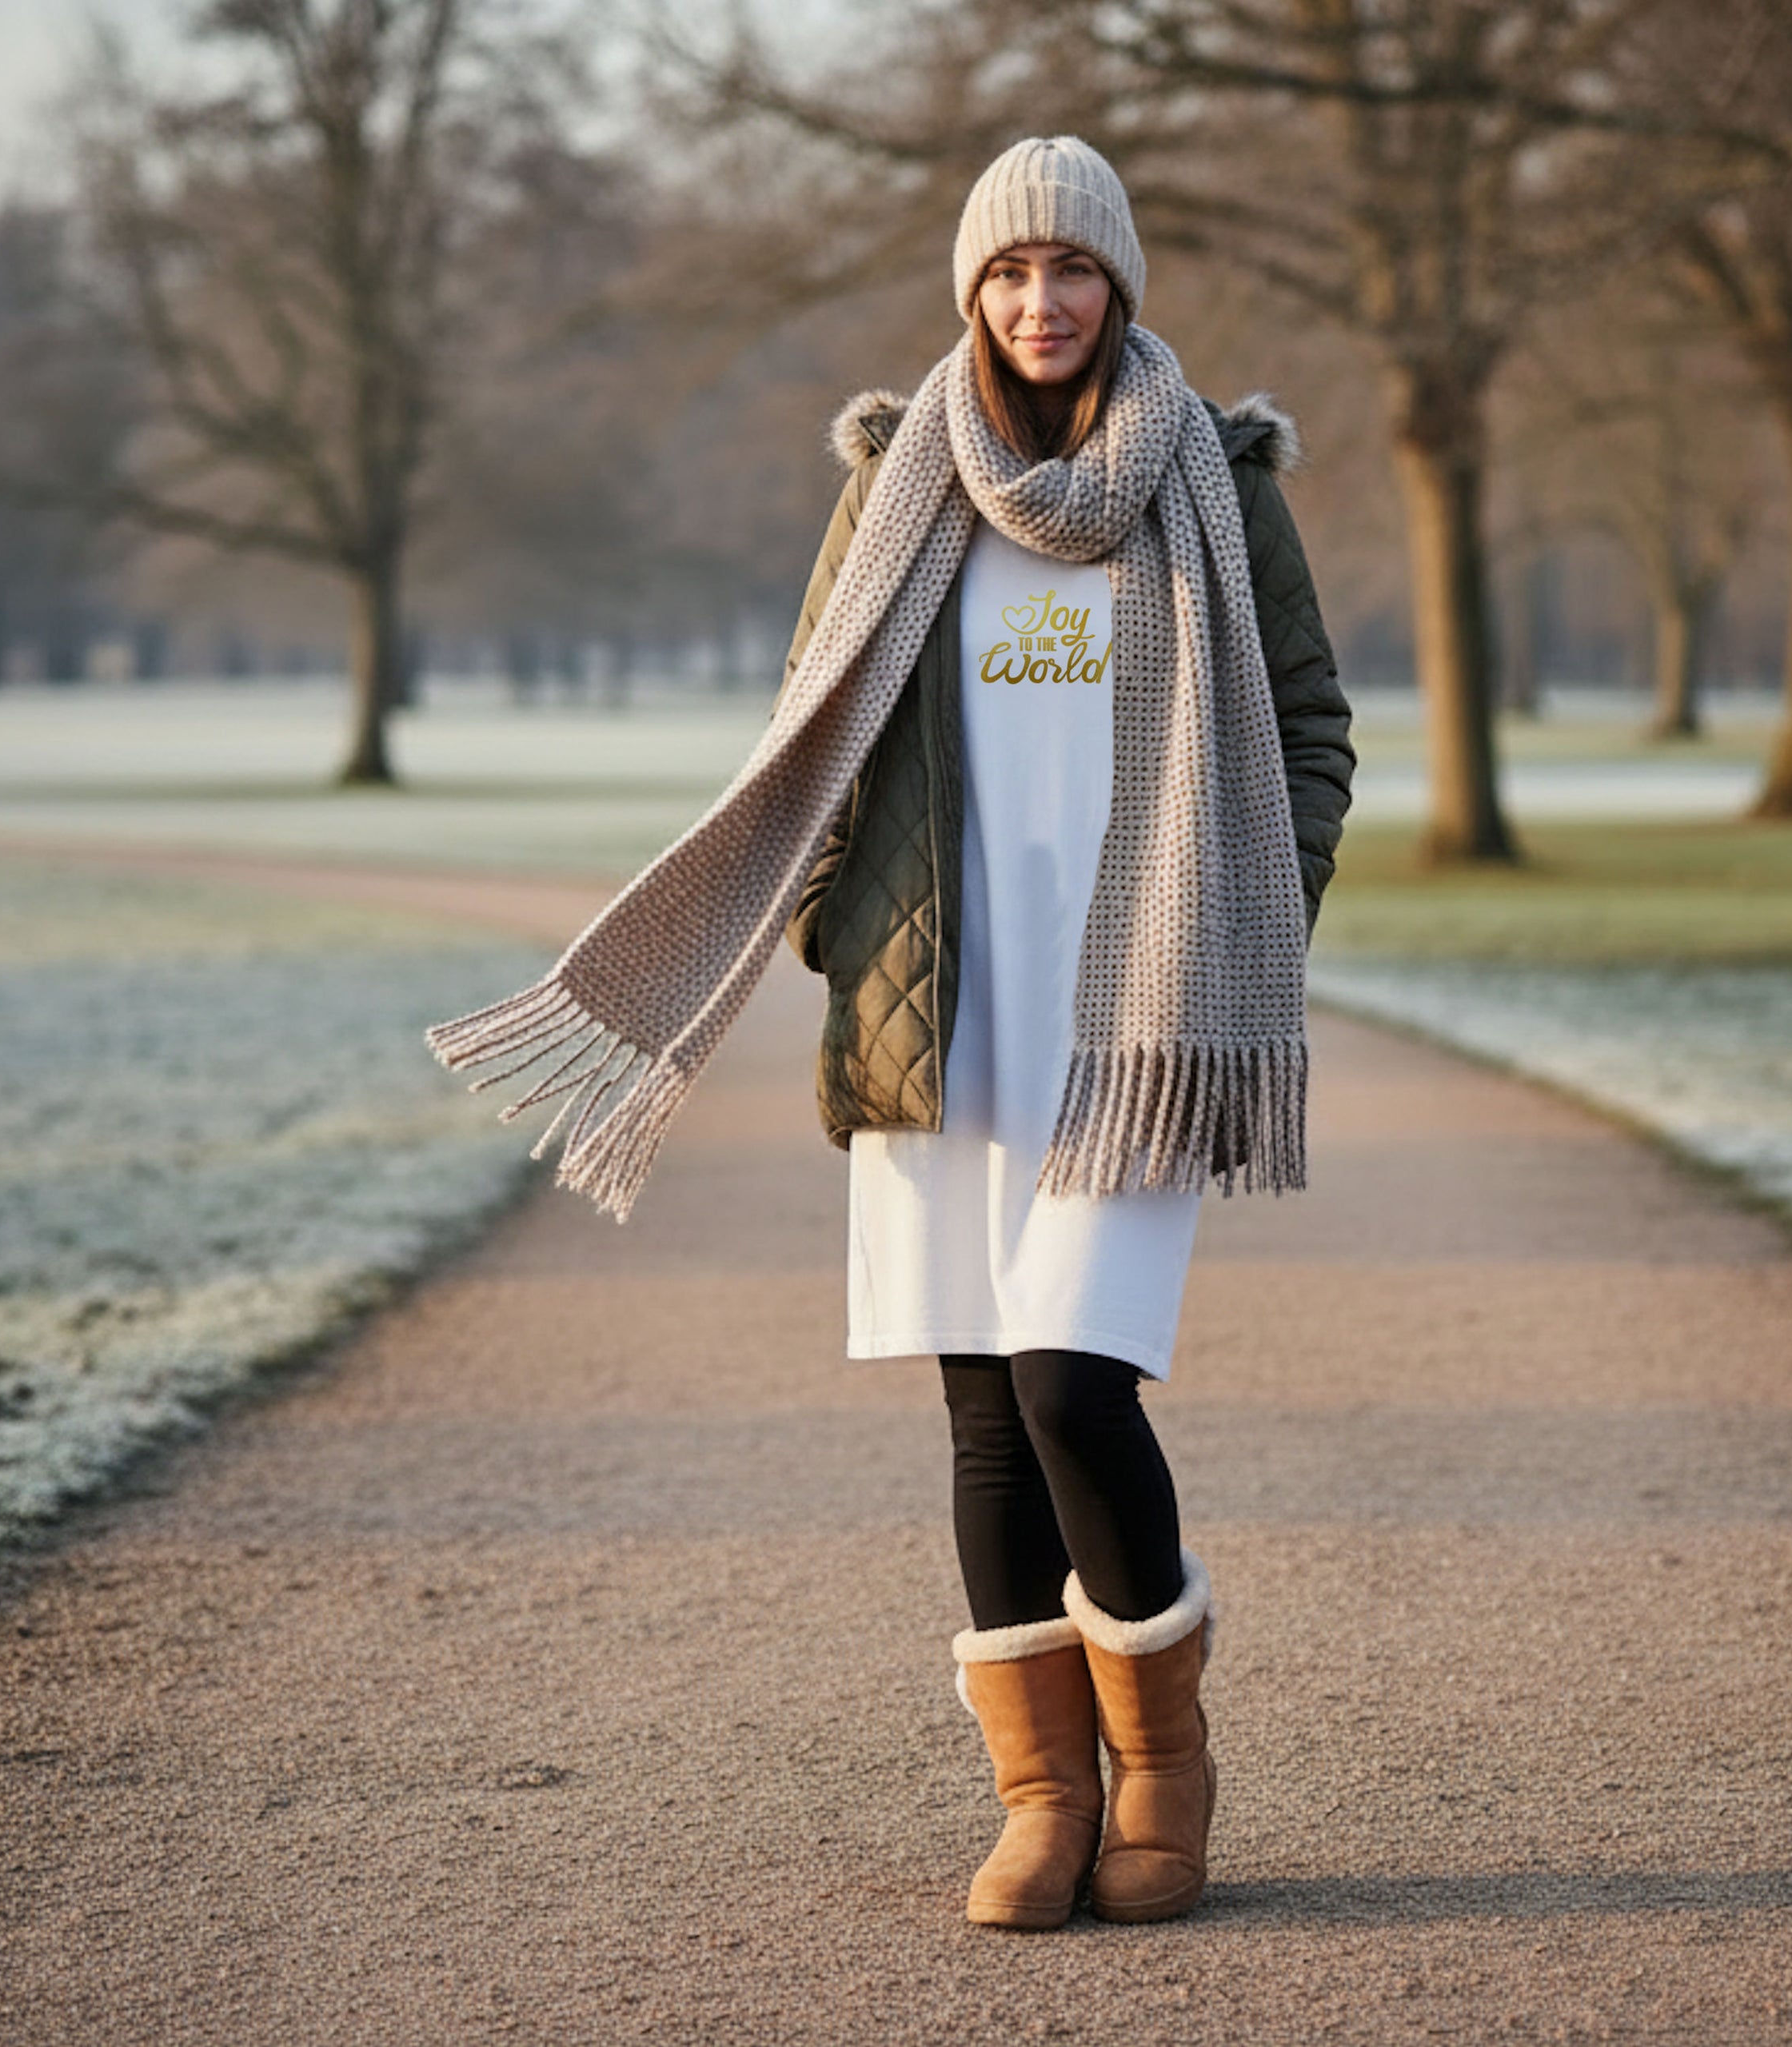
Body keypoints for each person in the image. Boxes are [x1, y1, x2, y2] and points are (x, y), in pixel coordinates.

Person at [429, 134, 1351, 1930]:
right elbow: (814, 728)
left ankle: (1165, 1766)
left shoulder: (1217, 478)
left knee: (1076, 1384)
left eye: (1070, 268)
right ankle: (1044, 1796)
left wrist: (1259, 915)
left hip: (1140, 1017)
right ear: (972, 293)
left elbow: (1308, 725)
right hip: (943, 1009)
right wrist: (831, 922)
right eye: (1009, 271)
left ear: (1118, 285)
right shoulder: (900, 478)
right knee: (986, 1410)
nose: (1040, 300)